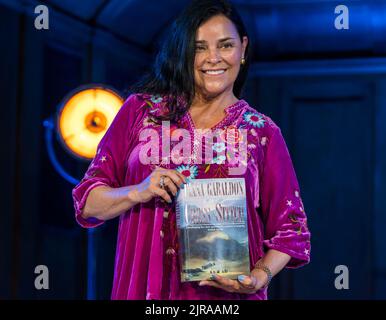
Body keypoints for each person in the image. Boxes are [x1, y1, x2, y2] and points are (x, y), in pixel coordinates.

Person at [72, 0, 311, 300]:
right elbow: (87, 202)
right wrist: (138, 190)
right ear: (183, 51)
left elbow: (291, 229)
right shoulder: (139, 111)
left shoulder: (261, 132)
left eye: (225, 45)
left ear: (243, 49)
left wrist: (258, 277)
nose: (213, 58)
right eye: (199, 47)